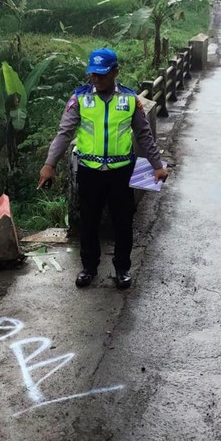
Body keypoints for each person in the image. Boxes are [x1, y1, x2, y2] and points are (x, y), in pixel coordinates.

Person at [37, 48, 168, 289]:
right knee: (89, 221)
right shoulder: (80, 99)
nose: (96, 80)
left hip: (121, 172)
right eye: (93, 75)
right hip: (89, 172)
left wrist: (157, 166)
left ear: (115, 72)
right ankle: (88, 267)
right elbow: (64, 134)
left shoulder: (129, 99)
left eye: (102, 75)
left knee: (122, 222)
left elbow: (144, 135)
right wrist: (49, 164)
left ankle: (122, 269)